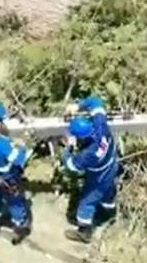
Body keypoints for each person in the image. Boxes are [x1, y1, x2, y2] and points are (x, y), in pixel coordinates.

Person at [60, 95, 119, 243]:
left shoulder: (88, 154)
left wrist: (68, 149)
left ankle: (84, 232)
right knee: (108, 192)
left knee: (87, 201)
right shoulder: (100, 127)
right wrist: (78, 106)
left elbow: (71, 166)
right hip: (112, 165)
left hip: (98, 176)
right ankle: (107, 215)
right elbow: (96, 103)